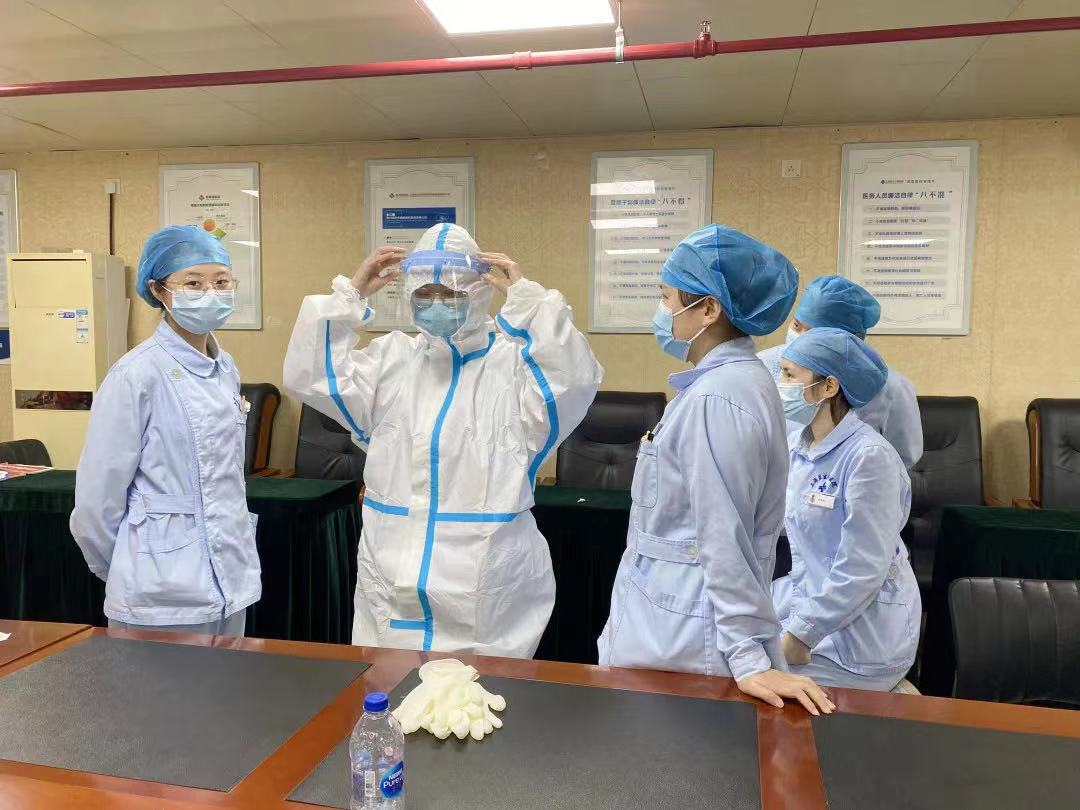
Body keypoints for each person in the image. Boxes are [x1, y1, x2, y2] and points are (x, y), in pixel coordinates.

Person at [283, 223, 602, 657]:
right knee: (389, 688)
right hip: (392, 573)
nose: (436, 305)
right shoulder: (392, 359)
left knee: (480, 695)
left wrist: (532, 305)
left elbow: (574, 381)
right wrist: (349, 298)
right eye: (424, 294)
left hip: (483, 581)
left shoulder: (511, 366)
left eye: (451, 294)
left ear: (480, 292)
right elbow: (311, 376)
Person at [598, 224, 834, 716]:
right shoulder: (724, 385)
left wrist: (748, 656)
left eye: (667, 298)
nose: (661, 311)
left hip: (688, 632)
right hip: (671, 617)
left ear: (708, 309)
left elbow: (724, 533)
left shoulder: (719, 397)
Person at [70, 225, 261, 636]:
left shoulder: (225, 367)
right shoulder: (136, 375)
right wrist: (129, 566)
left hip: (230, 578)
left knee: (229, 679)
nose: (210, 293)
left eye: (221, 282)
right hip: (157, 590)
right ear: (159, 290)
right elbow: (96, 502)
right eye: (193, 283)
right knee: (158, 681)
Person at [773, 327, 921, 691]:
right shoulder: (798, 446)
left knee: (754, 684)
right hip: (813, 606)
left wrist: (802, 634)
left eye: (789, 375)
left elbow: (863, 565)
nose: (780, 385)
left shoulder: (869, 458)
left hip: (864, 640)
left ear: (828, 387)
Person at [757, 276, 922, 468]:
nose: (801, 338)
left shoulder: (889, 387)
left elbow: (901, 457)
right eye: (797, 325)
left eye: (815, 334)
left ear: (848, 341)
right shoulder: (762, 365)